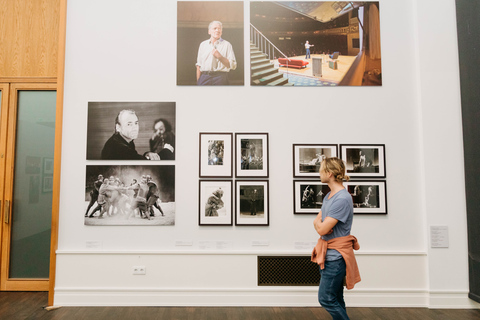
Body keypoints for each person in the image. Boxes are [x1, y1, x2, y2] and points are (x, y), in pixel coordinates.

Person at [311, 157, 361, 320]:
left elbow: (322, 228)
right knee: (336, 299)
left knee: (326, 298)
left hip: (336, 256)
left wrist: (319, 223)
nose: (319, 172)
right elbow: (320, 223)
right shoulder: (330, 196)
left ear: (330, 173)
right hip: (328, 254)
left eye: (321, 169)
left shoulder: (341, 198)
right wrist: (319, 223)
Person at [196, 21, 237, 85]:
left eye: (219, 28)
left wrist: (220, 57)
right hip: (204, 78)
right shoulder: (203, 45)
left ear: (221, 32)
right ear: (209, 31)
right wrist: (198, 82)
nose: (217, 30)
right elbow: (199, 65)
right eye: (215, 28)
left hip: (220, 78)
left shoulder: (227, 45)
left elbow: (233, 66)